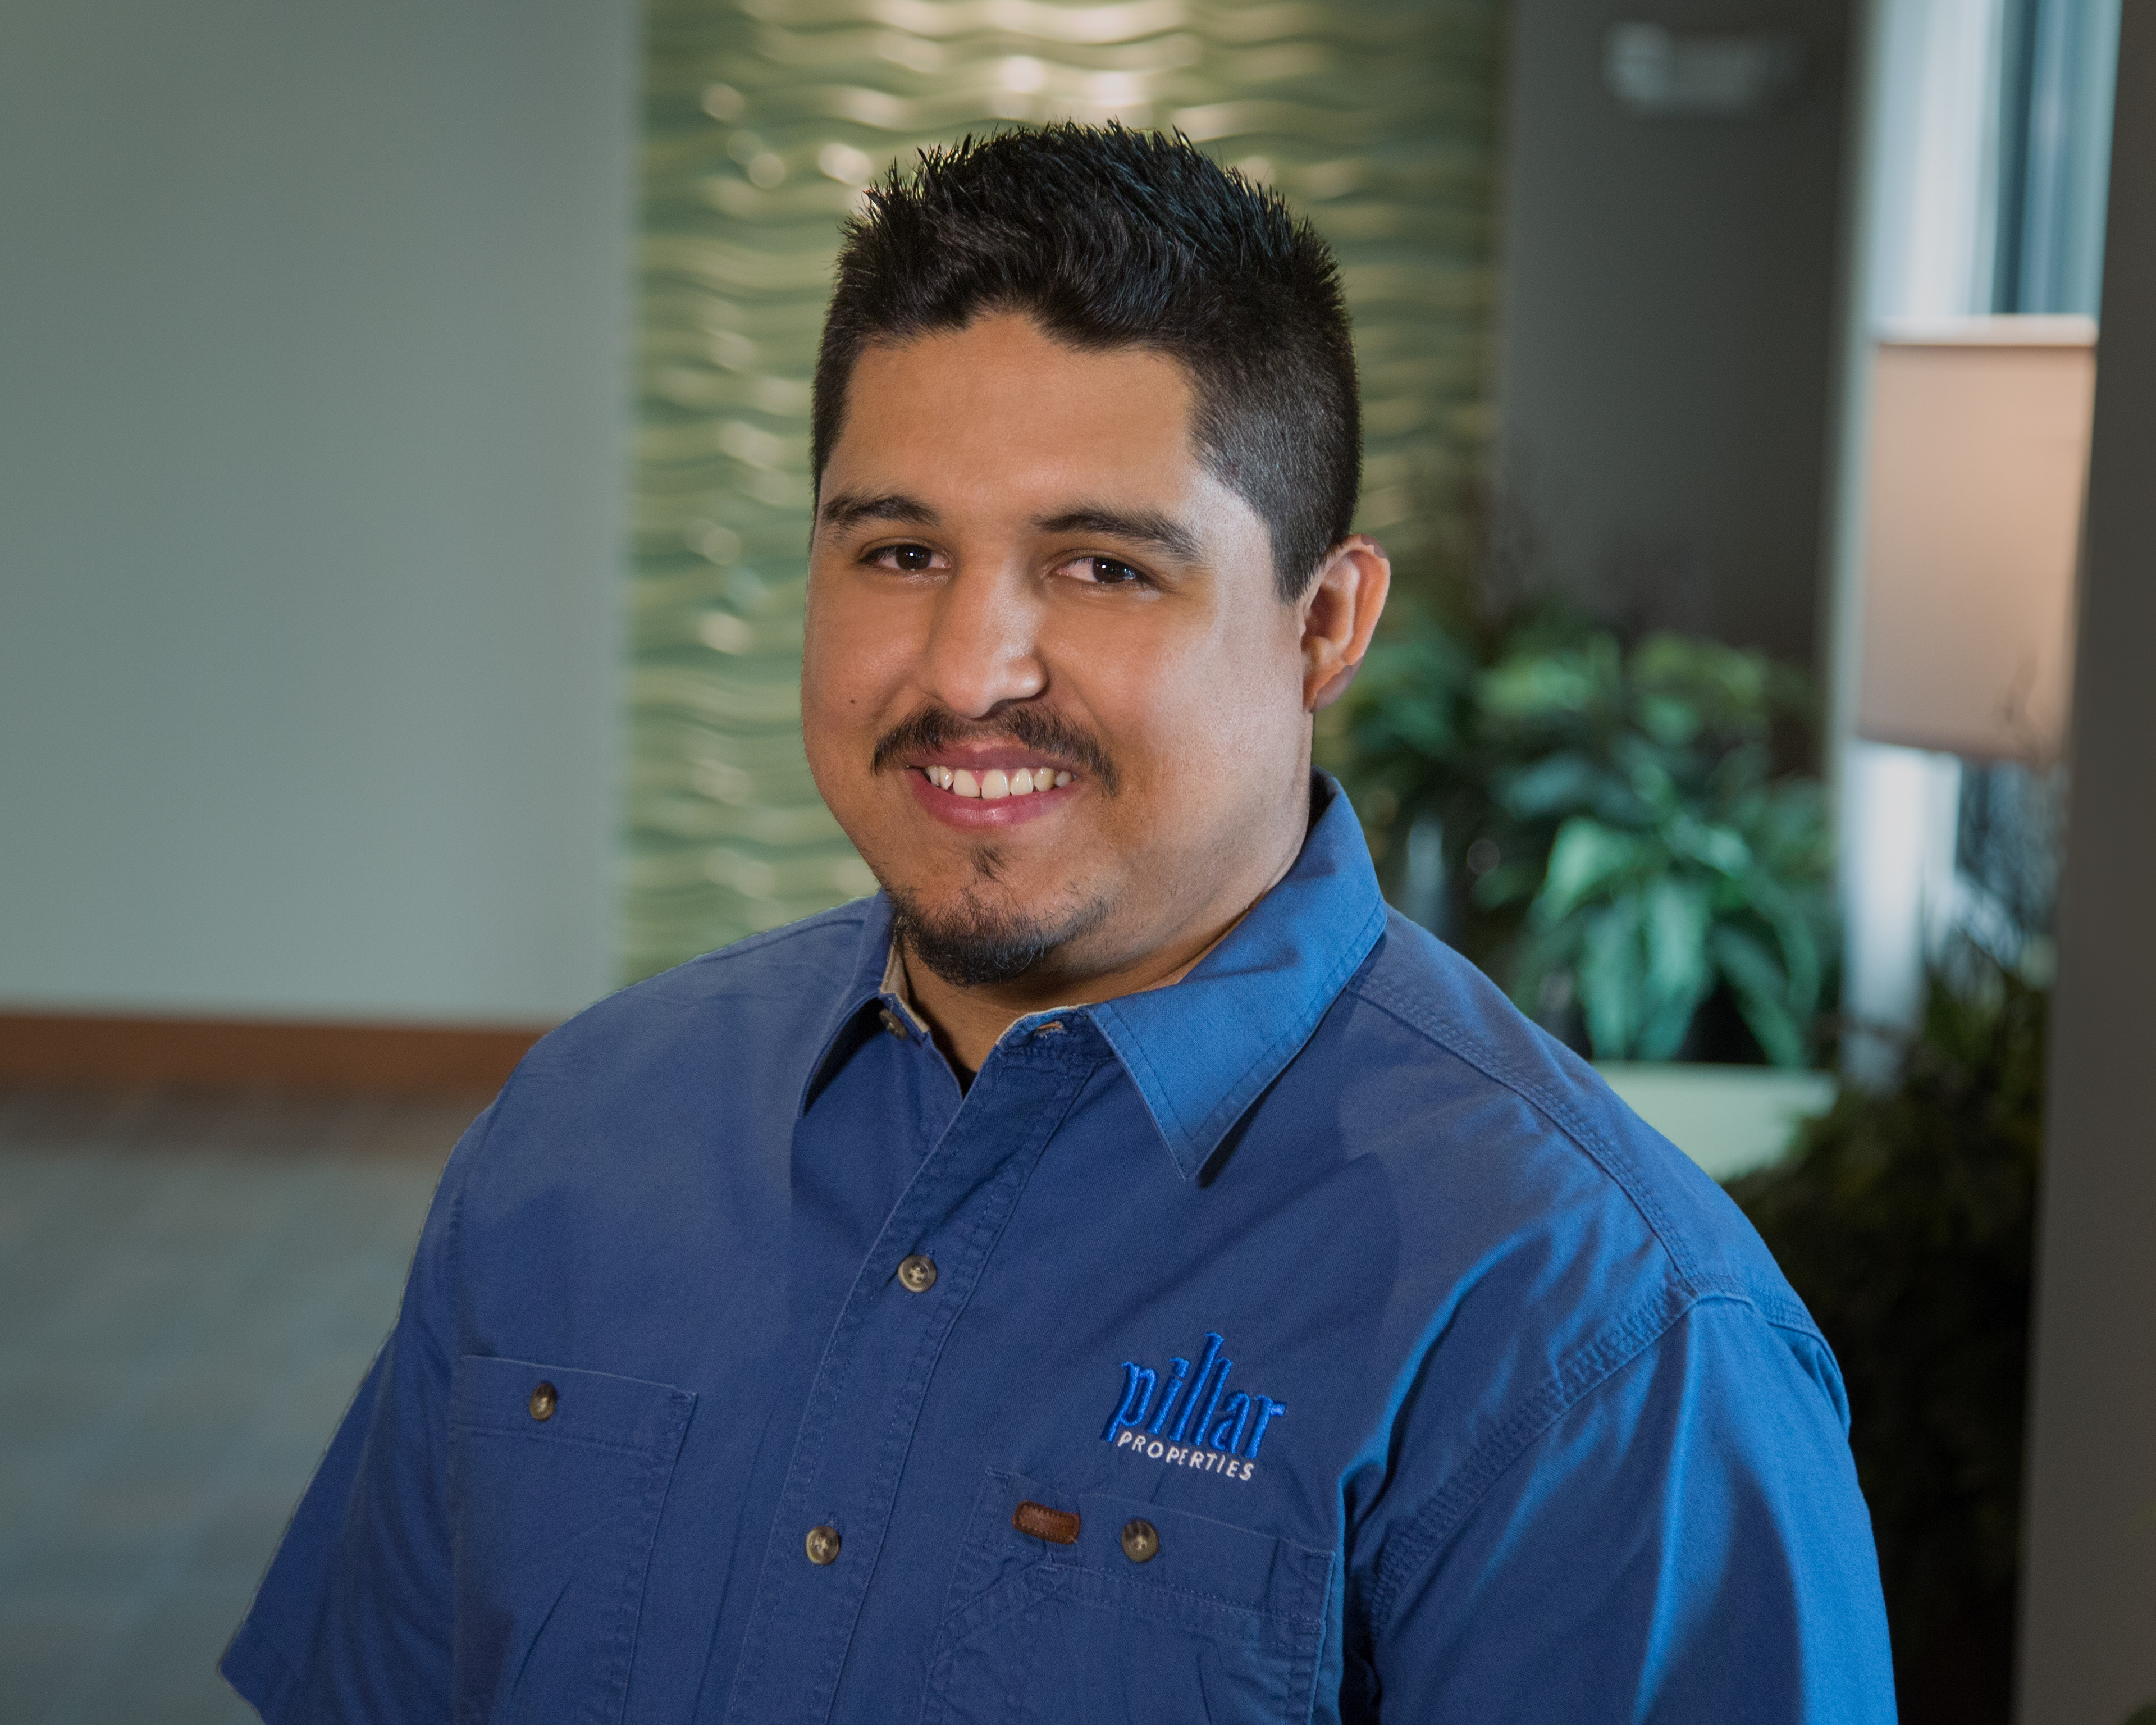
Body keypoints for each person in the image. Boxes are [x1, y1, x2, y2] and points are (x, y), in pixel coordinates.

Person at [222, 125, 1894, 1723]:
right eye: (898, 552)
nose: (969, 672)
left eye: (1102, 568)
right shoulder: (581, 1132)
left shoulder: (1605, 1336)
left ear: (1325, 623)